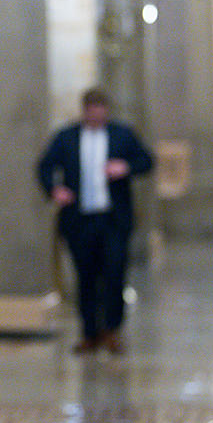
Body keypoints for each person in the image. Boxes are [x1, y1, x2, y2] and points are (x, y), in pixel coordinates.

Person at [37, 88, 153, 354]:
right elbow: (45, 166)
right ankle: (89, 333)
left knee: (114, 274)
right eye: (93, 112)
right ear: (85, 111)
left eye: (102, 113)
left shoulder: (122, 134)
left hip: (113, 220)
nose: (98, 117)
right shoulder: (67, 137)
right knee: (85, 277)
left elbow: (147, 160)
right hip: (80, 220)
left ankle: (112, 330)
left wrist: (125, 167)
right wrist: (55, 190)